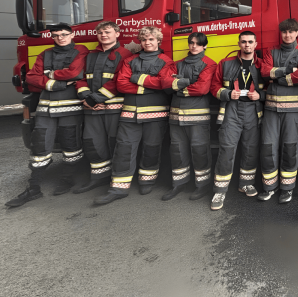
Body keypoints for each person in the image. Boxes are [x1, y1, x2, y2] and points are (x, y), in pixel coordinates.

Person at [5, 24, 89, 207]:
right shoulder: (45, 53)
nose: (61, 38)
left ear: (72, 34)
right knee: (39, 146)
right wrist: (58, 83)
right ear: (52, 37)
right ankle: (33, 188)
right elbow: (31, 77)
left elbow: (75, 72)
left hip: (70, 108)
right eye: (56, 35)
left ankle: (67, 180)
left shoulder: (80, 50)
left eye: (64, 34)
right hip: (45, 109)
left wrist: (48, 75)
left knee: (71, 145)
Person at [95, 26, 173, 205]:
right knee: (123, 148)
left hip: (156, 113)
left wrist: (137, 79)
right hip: (130, 114)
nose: (147, 42)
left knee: (152, 147)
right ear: (140, 42)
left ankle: (148, 181)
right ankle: (118, 188)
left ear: (158, 41)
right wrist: (147, 86)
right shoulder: (130, 60)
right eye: (144, 39)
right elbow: (121, 84)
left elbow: (164, 83)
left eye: (151, 39)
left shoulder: (166, 61)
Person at [72, 21, 132, 194]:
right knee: (93, 143)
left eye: (107, 32)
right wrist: (85, 97)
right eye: (100, 33)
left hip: (114, 108)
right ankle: (98, 178)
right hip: (92, 109)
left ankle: (117, 179)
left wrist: (94, 99)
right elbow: (81, 78)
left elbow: (118, 82)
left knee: (116, 144)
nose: (103, 35)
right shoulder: (90, 55)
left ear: (117, 33)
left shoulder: (125, 54)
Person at [209, 31, 266, 210]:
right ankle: (220, 190)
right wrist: (226, 94)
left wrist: (260, 95)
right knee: (226, 149)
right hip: (231, 109)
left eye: (250, 42)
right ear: (239, 44)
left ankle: (246, 183)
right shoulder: (225, 64)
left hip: (253, 110)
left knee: (250, 148)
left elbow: (273, 90)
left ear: (256, 44)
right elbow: (214, 86)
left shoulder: (262, 65)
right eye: (243, 42)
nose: (247, 45)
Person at [258, 18, 298, 204]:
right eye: (284, 32)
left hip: (293, 111)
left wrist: (277, 76)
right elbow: (264, 72)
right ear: (280, 34)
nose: (287, 35)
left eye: (291, 32)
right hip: (271, 109)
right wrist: (288, 70)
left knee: (290, 149)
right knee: (268, 148)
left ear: (297, 33)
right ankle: (269, 187)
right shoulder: (271, 51)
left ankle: (287, 189)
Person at [160, 33, 217, 202]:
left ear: (204, 46)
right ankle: (179, 184)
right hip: (176, 116)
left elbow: (202, 88)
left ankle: (202, 185)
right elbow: (164, 83)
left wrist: (178, 85)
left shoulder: (209, 64)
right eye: (191, 43)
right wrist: (188, 82)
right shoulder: (176, 64)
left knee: (200, 150)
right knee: (177, 151)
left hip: (197, 117)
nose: (194, 46)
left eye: (198, 44)